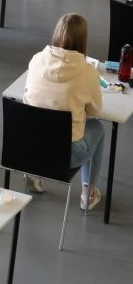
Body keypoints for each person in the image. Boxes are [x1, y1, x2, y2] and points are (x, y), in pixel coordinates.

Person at [23, 14, 105, 210]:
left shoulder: (36, 60)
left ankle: (35, 174)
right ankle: (88, 193)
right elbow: (96, 111)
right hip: (65, 154)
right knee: (98, 128)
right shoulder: (88, 73)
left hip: (29, 146)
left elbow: (26, 98)